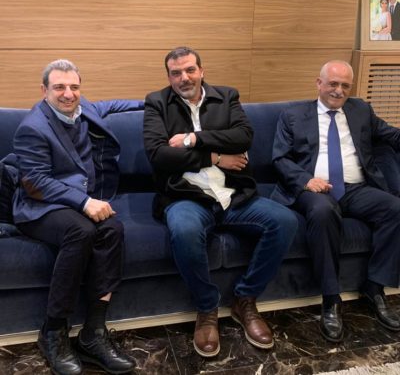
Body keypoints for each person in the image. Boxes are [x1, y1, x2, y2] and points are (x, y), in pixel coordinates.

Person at [143, 46, 298, 357]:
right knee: (185, 231)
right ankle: (206, 308)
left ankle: (245, 300)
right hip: (186, 196)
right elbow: (158, 154)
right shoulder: (157, 102)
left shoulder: (227, 96)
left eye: (190, 70)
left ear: (201, 71)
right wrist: (214, 157)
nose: (184, 77)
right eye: (176, 73)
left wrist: (193, 139)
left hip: (233, 194)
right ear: (169, 77)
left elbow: (243, 137)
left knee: (285, 221)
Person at [13, 59, 141, 375]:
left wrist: (159, 103)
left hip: (78, 203)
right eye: (59, 87)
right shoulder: (33, 127)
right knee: (81, 231)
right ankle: (53, 331)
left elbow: (117, 105)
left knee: (112, 228)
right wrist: (84, 202)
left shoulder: (86, 110)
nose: (68, 94)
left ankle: (93, 333)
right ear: (44, 90)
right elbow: (35, 182)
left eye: (74, 87)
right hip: (39, 206)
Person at [271, 60, 400, 343]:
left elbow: (391, 135)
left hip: (356, 188)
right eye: (333, 84)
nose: (338, 91)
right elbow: (279, 158)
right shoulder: (293, 115)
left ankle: (375, 287)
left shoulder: (361, 110)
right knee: (323, 211)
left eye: (345, 86)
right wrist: (306, 180)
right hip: (313, 189)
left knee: (395, 209)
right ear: (319, 83)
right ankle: (331, 299)